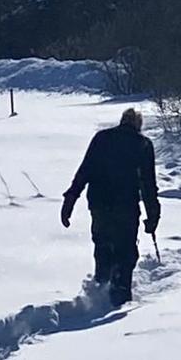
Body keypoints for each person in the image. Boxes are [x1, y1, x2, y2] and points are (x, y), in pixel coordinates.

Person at [61, 106, 161, 306]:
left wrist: (70, 198)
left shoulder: (102, 138)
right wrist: (153, 214)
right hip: (126, 206)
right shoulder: (142, 144)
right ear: (138, 126)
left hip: (99, 203)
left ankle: (100, 287)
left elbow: (85, 170)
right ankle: (120, 297)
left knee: (103, 243)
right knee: (126, 251)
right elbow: (148, 184)